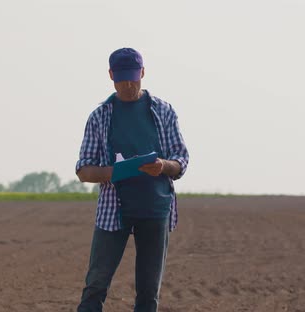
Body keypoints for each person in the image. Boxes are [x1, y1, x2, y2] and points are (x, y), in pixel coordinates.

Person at [75, 47, 189, 312]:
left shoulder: (164, 111)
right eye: (121, 79)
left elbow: (181, 160)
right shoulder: (100, 116)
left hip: (155, 210)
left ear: (143, 73)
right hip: (113, 211)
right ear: (111, 75)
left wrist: (162, 166)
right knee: (95, 285)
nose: (128, 85)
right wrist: (113, 172)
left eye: (133, 78)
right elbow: (83, 169)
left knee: (148, 294)